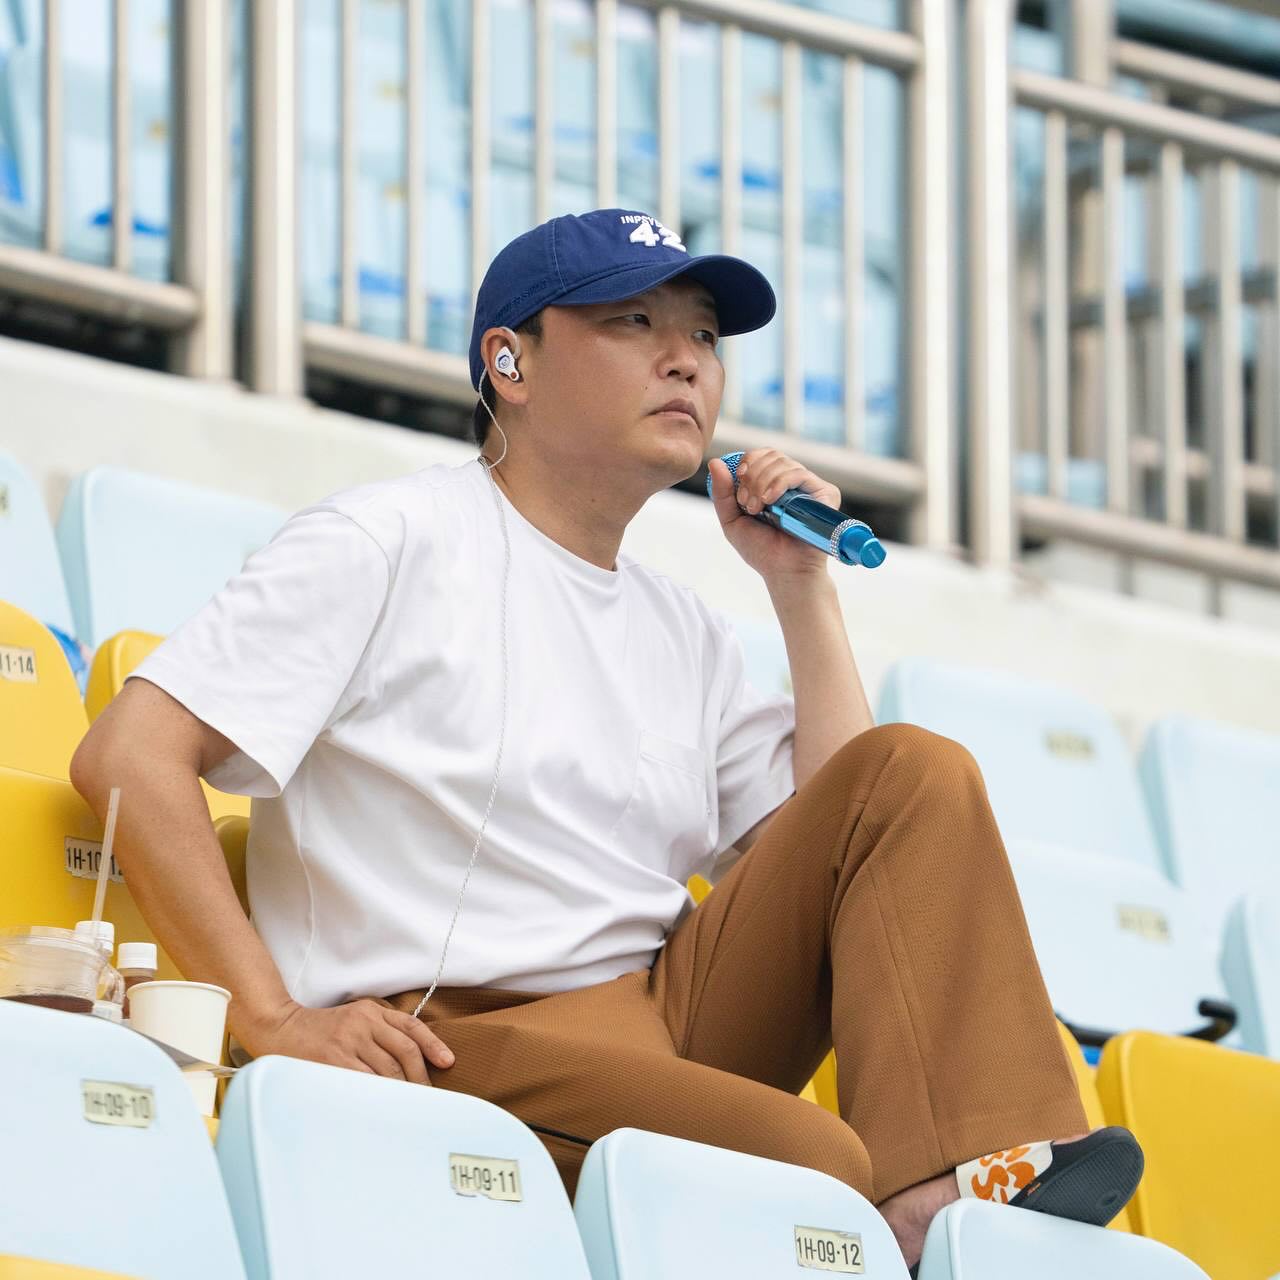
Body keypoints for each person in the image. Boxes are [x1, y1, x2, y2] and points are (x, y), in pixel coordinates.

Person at [71, 208, 1140, 1268]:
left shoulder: (685, 626)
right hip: (453, 1037)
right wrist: (272, 1019)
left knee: (913, 770)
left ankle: (943, 1184)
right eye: (634, 322)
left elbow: (856, 853)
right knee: (813, 1163)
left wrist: (800, 588)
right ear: (510, 362)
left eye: (705, 336)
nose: (686, 360)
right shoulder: (383, 538)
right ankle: (910, 1225)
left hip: (661, 1021)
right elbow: (127, 755)